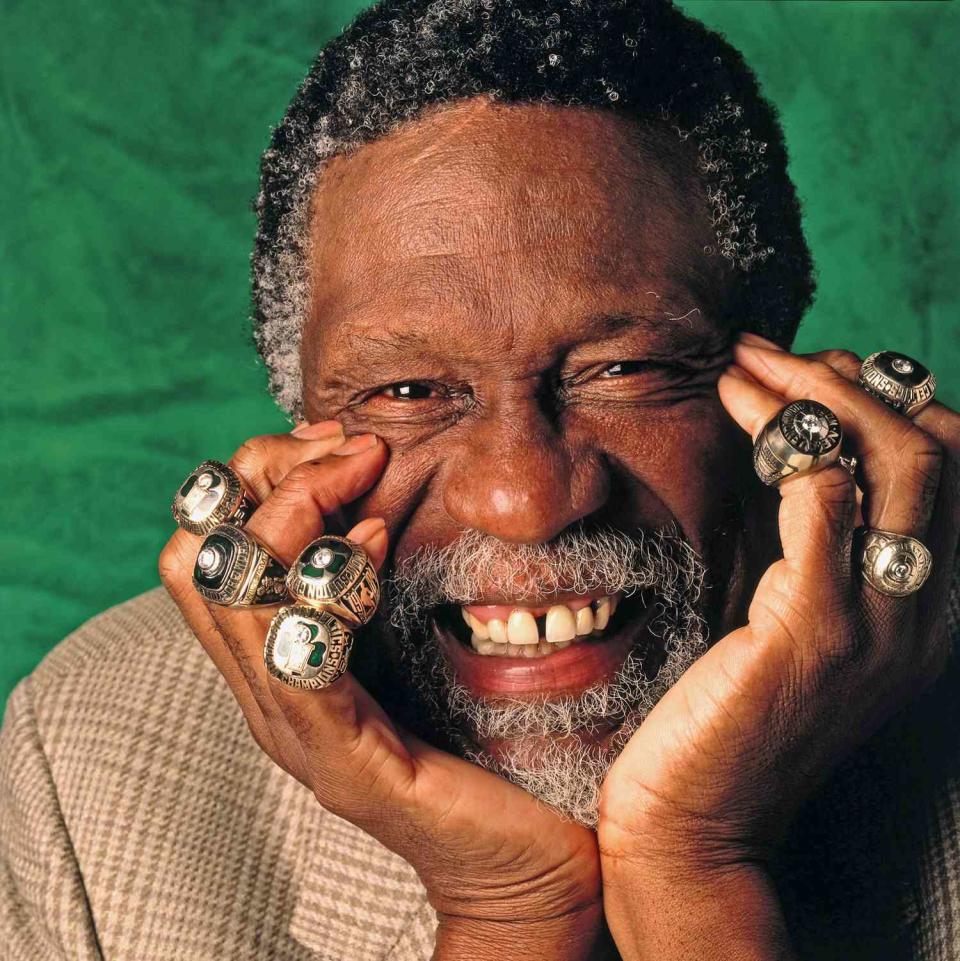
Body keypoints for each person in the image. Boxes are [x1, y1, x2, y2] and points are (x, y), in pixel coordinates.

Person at [2, 1, 957, 958]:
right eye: (410, 390)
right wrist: (511, 909)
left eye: (624, 370)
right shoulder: (90, 766)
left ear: (794, 395)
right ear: (298, 438)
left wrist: (695, 871)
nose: (527, 501)